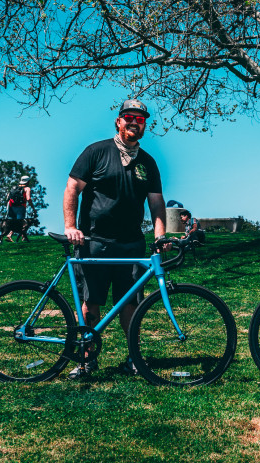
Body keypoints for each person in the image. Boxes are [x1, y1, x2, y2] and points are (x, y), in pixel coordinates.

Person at [63, 99, 168, 379]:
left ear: (144, 125)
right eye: (129, 117)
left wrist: (160, 236)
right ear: (118, 121)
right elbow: (73, 188)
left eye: (141, 119)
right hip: (95, 241)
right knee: (91, 302)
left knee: (130, 303)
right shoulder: (96, 152)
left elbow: (157, 203)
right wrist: (70, 226)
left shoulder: (147, 162)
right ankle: (86, 360)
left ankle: (134, 357)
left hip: (132, 243)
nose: (135, 122)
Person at [5, 175, 35, 242]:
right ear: (28, 181)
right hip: (20, 207)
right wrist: (33, 208)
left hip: (11, 206)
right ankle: (22, 237)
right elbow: (28, 198)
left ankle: (10, 235)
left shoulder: (14, 187)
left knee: (14, 222)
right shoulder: (27, 188)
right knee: (22, 223)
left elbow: (8, 197)